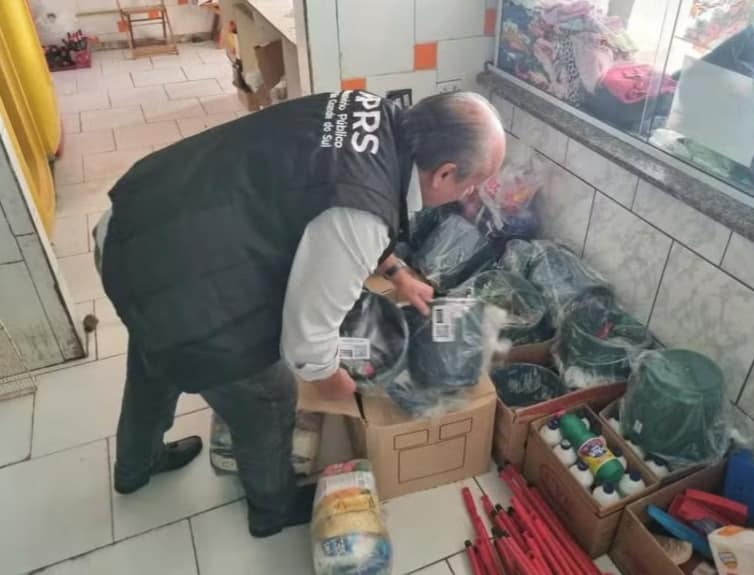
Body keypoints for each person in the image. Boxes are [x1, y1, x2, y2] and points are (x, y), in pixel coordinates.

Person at [93, 89, 506, 537]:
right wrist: (335, 382)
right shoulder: (362, 213)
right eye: (472, 183)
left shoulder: (373, 112)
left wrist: (396, 272)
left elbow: (338, 197)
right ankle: (272, 509)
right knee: (269, 396)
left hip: (141, 222)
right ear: (444, 173)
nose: (470, 194)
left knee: (155, 355)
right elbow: (305, 344)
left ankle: (135, 466)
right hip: (175, 273)